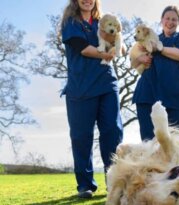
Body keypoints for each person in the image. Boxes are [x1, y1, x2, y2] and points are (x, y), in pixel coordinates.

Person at [60, 0, 123, 198]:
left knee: (112, 132)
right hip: (80, 88)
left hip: (106, 84)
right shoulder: (71, 22)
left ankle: (114, 182)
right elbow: (83, 48)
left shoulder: (104, 21)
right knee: (81, 137)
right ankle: (85, 185)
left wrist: (117, 47)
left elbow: (118, 44)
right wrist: (105, 53)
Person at [132, 6, 179, 141]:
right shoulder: (148, 38)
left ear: (178, 22)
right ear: (161, 20)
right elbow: (134, 63)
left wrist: (159, 48)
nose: (170, 22)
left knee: (176, 144)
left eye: (174, 19)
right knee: (149, 143)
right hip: (147, 97)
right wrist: (139, 59)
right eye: (167, 18)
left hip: (176, 99)